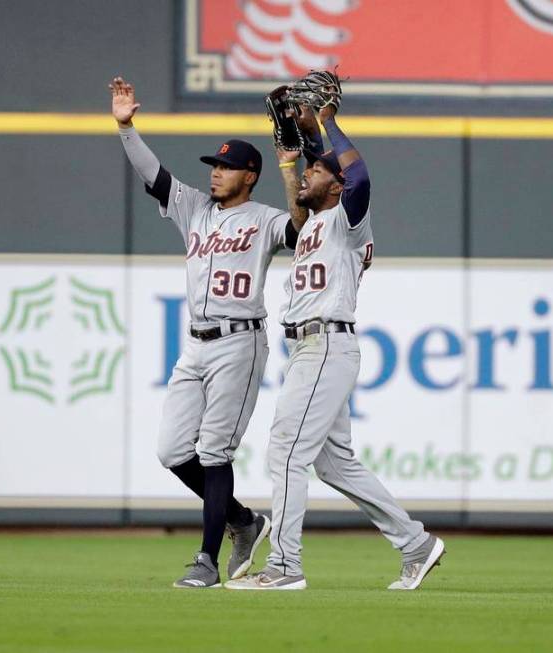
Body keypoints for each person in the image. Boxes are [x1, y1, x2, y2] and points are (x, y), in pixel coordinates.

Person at [225, 97, 445, 591]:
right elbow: (316, 178)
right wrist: (306, 141)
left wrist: (327, 123)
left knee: (285, 451)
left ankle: (284, 566)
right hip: (312, 348)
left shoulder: (348, 219)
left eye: (317, 172)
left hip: (325, 344)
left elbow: (358, 176)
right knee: (333, 462)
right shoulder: (317, 219)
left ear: (338, 185)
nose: (307, 176)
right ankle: (417, 544)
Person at [110, 76, 307, 588]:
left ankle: (206, 559)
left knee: (215, 450)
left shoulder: (265, 219)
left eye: (226, 167)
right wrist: (127, 127)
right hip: (195, 345)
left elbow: (302, 227)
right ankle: (244, 521)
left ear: (250, 175)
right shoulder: (195, 209)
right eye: (214, 167)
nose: (216, 174)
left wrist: (291, 165)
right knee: (173, 451)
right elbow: (153, 176)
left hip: (240, 343)